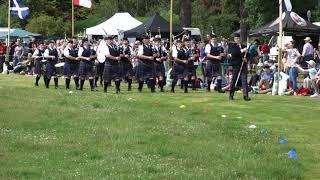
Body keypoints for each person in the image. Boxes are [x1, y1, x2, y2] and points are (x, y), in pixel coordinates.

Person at [228, 33, 250, 101]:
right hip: (236, 65)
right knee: (234, 79)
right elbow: (234, 54)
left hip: (243, 65)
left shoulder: (244, 46)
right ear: (234, 39)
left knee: (244, 80)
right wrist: (242, 50)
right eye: (236, 38)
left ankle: (245, 95)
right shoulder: (232, 46)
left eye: (239, 38)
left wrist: (247, 59)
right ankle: (231, 94)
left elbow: (248, 54)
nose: (238, 40)